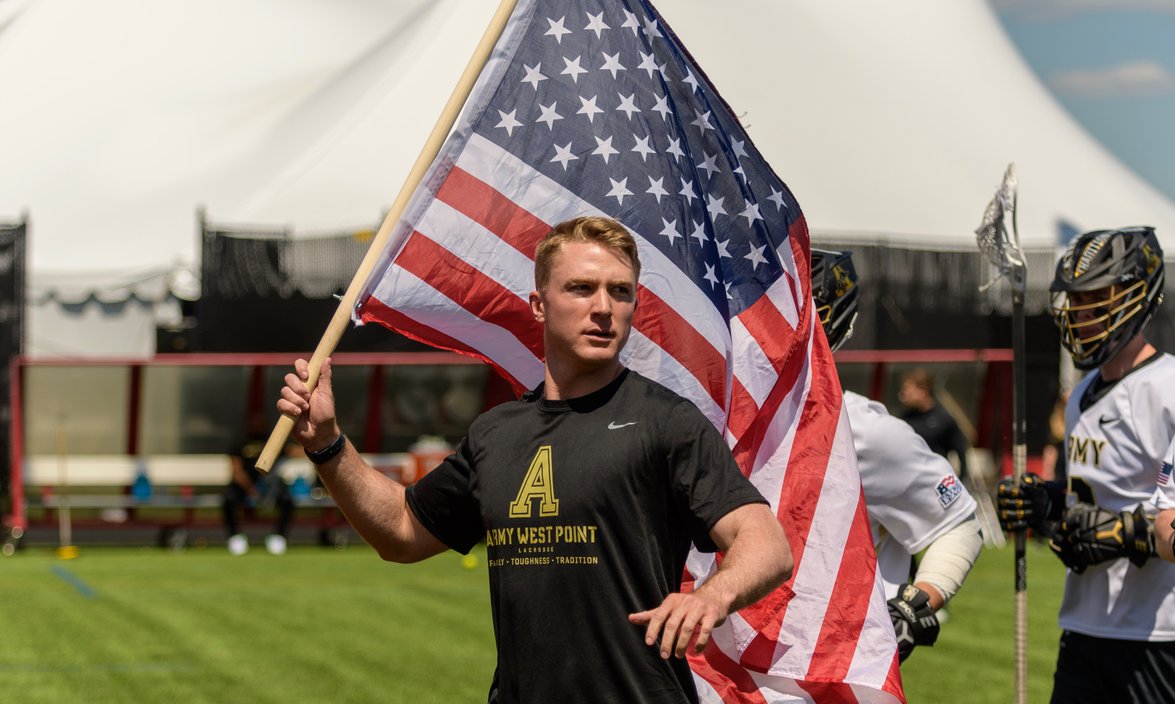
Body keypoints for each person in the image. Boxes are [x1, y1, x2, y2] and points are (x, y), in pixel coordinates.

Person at [277, 216, 793, 703]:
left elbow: (766, 543)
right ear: (539, 304)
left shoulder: (666, 422)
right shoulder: (496, 434)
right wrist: (327, 444)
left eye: (621, 291)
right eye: (581, 287)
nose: (604, 307)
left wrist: (711, 597)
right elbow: (401, 530)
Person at [996, 226, 1175, 704]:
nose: (1084, 316)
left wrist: (1121, 533)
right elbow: (1087, 494)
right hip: (1085, 623)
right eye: (1078, 301)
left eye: (1099, 300)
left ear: (1138, 297)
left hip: (1161, 627)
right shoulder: (1081, 396)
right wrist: (1045, 503)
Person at [811, 249, 983, 663]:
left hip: (836, 669)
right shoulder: (725, 413)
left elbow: (958, 522)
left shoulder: (862, 429)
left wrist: (912, 607)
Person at [223, 424, 295, 556]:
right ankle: (235, 537)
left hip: (269, 485)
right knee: (229, 498)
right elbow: (236, 471)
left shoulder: (273, 441)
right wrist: (250, 488)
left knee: (286, 498)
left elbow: (294, 451)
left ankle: (278, 536)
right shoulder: (240, 444)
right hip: (245, 486)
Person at [897, 368, 973, 480]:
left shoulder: (944, 419)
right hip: (910, 480)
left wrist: (961, 481)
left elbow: (961, 452)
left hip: (936, 481)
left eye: (908, 390)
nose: (903, 395)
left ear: (923, 391)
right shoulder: (905, 418)